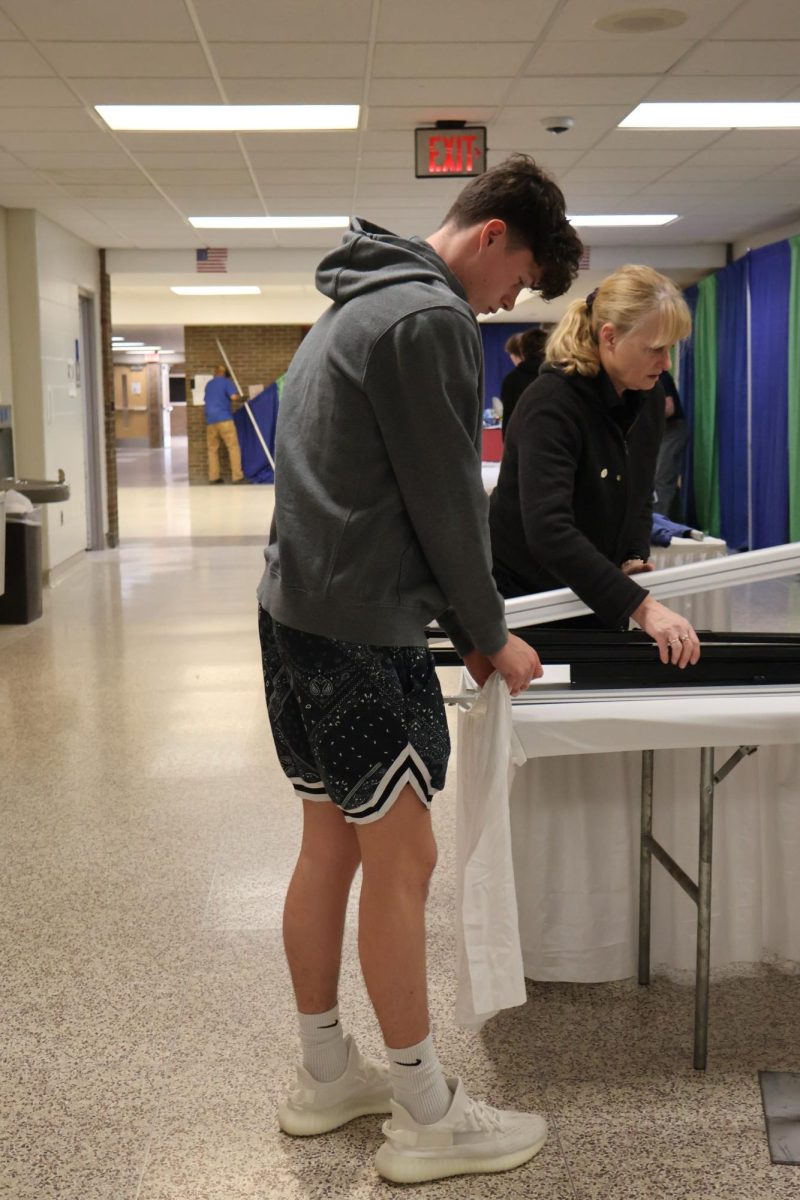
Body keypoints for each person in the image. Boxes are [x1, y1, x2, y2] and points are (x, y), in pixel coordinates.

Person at [257, 155, 583, 1185]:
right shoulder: (427, 319)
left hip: (293, 612)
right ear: (492, 236)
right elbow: (447, 503)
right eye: (518, 279)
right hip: (358, 629)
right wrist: (488, 633)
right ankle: (428, 1112)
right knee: (404, 864)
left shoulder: (353, 303)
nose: (508, 303)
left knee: (331, 845)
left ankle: (325, 1076)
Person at [490, 264, 702, 669]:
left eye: (671, 348)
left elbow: (640, 494)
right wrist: (643, 608)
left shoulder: (649, 397)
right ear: (610, 337)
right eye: (656, 347)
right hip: (529, 602)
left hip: (594, 588)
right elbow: (549, 531)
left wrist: (632, 554)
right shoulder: (551, 404)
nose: (667, 362)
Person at [652, 368, 688, 519]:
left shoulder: (659, 374)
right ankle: (677, 523)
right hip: (659, 432)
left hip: (671, 431)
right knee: (666, 479)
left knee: (661, 480)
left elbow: (669, 408)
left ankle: (659, 527)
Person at [500, 326, 548, 437]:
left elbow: (509, 419)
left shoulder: (511, 380)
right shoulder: (559, 377)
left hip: (523, 443)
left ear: (522, 351)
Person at [203, 364, 245, 484]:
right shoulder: (226, 382)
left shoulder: (209, 384)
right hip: (224, 419)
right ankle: (237, 476)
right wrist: (242, 398)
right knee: (233, 447)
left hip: (210, 421)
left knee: (212, 449)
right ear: (224, 373)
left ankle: (213, 477)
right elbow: (233, 397)